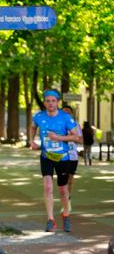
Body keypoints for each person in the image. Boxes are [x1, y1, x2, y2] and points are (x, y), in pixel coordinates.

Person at [29, 89, 80, 232]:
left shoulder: (66, 117)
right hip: (46, 157)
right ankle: (51, 219)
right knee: (47, 187)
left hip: (63, 158)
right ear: (44, 103)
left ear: (57, 102)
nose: (50, 103)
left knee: (63, 190)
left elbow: (76, 137)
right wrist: (31, 141)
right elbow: (33, 127)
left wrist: (59, 138)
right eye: (47, 101)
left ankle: (66, 214)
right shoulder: (39, 116)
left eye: (53, 101)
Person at [61, 105, 82, 213]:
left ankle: (67, 203)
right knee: (62, 181)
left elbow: (80, 140)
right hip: (61, 155)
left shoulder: (76, 125)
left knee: (69, 181)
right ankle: (64, 202)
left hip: (73, 156)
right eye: (64, 112)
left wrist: (72, 137)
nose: (66, 114)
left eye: (68, 112)